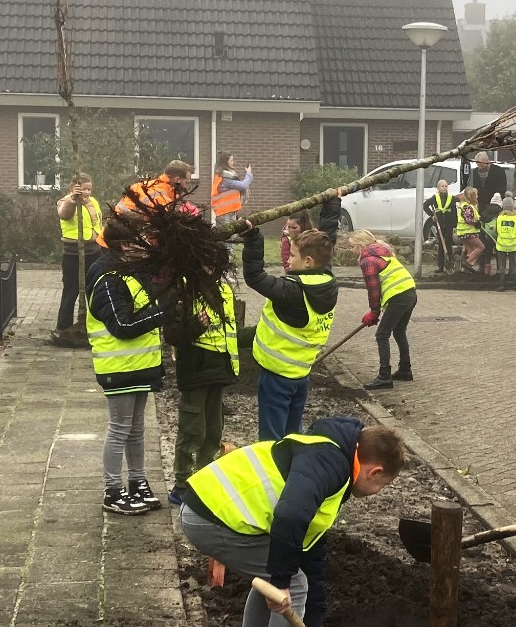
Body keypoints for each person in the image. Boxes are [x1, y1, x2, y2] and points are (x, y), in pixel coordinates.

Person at [179, 419, 407, 627]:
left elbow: (310, 550)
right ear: (375, 472)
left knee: (278, 580)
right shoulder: (328, 464)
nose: (377, 491)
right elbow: (289, 517)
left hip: (209, 510)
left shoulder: (332, 460)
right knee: (289, 584)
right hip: (212, 517)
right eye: (383, 485)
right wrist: (284, 583)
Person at [86, 219, 173, 514]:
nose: (146, 245)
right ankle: (112, 491)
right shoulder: (107, 279)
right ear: (125, 246)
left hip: (139, 366)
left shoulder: (129, 271)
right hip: (119, 367)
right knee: (120, 429)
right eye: (141, 240)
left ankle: (137, 483)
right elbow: (122, 325)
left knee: (136, 429)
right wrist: (164, 312)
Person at [242, 223, 338, 440]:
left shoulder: (292, 291)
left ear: (308, 262)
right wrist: (334, 202)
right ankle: (292, 468)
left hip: (277, 375)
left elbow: (255, 277)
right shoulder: (328, 283)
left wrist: (253, 238)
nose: (287, 259)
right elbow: (328, 237)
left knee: (271, 438)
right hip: (301, 375)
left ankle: (273, 471)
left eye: (292, 255)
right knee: (292, 433)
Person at [167, 276, 240, 506]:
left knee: (213, 430)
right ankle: (182, 486)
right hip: (195, 371)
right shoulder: (183, 288)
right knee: (192, 430)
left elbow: (229, 329)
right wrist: (196, 326)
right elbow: (172, 334)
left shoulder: (223, 286)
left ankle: (204, 480)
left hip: (218, 369)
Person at [348, 230, 417, 391]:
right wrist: (375, 312)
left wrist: (374, 312)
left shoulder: (368, 261)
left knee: (382, 335)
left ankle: (384, 376)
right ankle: (405, 370)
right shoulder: (384, 252)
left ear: (359, 246)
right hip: (410, 292)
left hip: (399, 296)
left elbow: (373, 289)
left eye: (352, 247)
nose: (351, 251)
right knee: (399, 331)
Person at [95, 159, 193, 249]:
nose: (187, 187)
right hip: (119, 242)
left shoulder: (152, 187)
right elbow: (158, 229)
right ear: (178, 179)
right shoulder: (160, 197)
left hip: (114, 239)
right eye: (187, 183)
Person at [53, 174, 102, 337]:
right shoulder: (65, 201)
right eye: (84, 189)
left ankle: (93, 326)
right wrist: (72, 199)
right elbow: (64, 214)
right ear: (73, 187)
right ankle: (63, 326)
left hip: (93, 250)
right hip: (73, 253)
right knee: (71, 289)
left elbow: (97, 222)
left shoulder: (93, 202)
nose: (87, 192)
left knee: (94, 290)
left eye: (89, 189)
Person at [211, 151, 253, 226]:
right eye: (231, 160)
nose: (233, 162)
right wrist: (249, 174)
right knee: (229, 235)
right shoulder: (226, 178)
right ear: (226, 162)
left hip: (225, 211)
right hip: (226, 212)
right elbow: (243, 185)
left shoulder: (221, 175)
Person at [423, 179, 456, 274]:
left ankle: (449, 264)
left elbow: (454, 211)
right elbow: (425, 205)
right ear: (438, 188)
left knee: (448, 244)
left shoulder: (450, 198)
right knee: (441, 245)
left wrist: (455, 224)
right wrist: (432, 215)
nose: (444, 188)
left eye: (446, 186)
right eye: (443, 186)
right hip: (440, 225)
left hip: (449, 224)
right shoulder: (435, 197)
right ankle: (440, 266)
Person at [493, 194, 516, 291]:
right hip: (513, 245)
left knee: (502, 264)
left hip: (501, 245)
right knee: (513, 263)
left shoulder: (499, 218)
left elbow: (496, 231)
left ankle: (501, 285)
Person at [454, 187, 485, 272]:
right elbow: (468, 220)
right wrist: (476, 223)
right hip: (468, 232)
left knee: (471, 250)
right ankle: (467, 263)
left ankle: (466, 270)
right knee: (481, 247)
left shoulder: (463, 205)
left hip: (462, 232)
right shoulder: (468, 207)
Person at [473, 153, 508, 222]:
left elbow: (502, 189)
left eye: (481, 165)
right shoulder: (475, 172)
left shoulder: (499, 171)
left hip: (494, 207)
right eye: (478, 165)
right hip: (480, 206)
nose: (479, 167)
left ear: (486, 162)